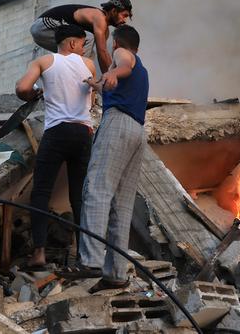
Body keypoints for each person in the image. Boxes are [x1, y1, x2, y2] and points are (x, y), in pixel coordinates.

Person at [63, 25, 149, 292]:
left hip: (118, 125)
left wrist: (111, 72)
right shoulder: (142, 71)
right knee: (121, 206)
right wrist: (96, 83)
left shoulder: (123, 55)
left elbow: (122, 66)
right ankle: (116, 274)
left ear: (117, 43)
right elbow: (112, 82)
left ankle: (90, 261)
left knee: (97, 190)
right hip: (137, 132)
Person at [15, 25, 96, 270]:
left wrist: (34, 94)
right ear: (72, 43)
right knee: (78, 195)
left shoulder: (43, 61)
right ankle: (85, 255)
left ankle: (39, 254)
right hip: (83, 133)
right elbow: (91, 100)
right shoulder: (89, 65)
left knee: (41, 192)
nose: (84, 49)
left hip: (57, 131)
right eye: (83, 43)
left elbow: (22, 89)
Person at [30, 0, 133, 72]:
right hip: (43, 25)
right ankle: (77, 73)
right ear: (114, 11)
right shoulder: (99, 17)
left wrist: (112, 76)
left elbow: (103, 55)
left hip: (51, 35)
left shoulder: (105, 31)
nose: (124, 20)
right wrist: (112, 75)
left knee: (89, 55)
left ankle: (74, 75)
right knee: (88, 38)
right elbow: (102, 52)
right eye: (124, 15)